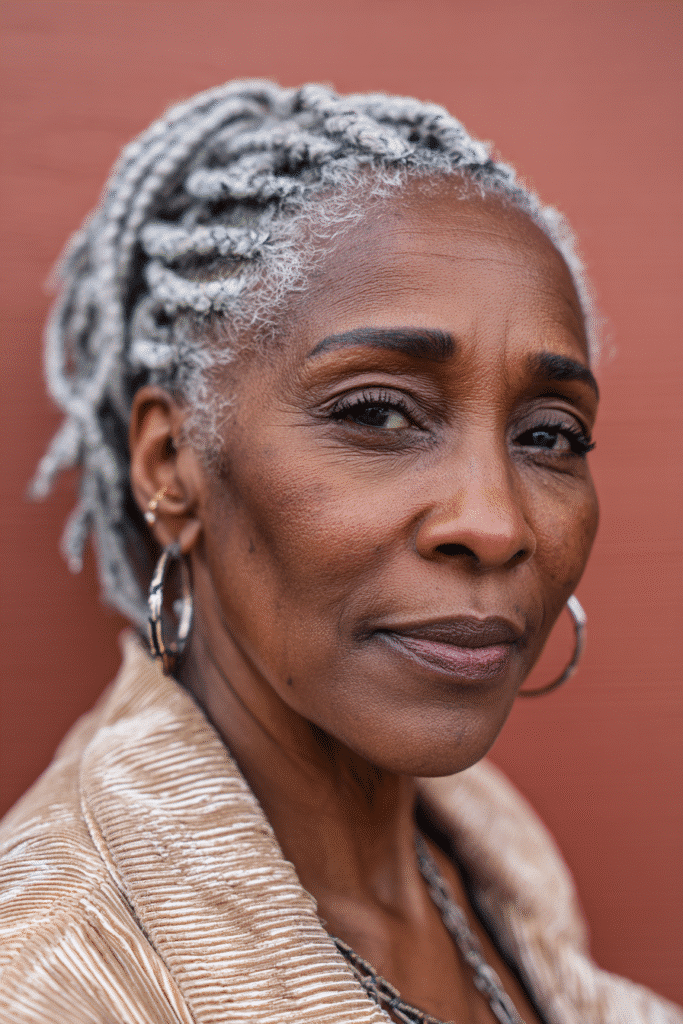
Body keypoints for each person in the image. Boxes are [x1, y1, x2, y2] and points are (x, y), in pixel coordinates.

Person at [0, 80, 680, 1024]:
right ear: (170, 463)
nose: (497, 522)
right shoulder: (54, 975)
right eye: (375, 413)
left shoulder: (487, 850)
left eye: (549, 436)